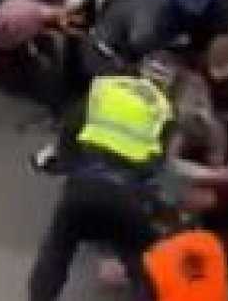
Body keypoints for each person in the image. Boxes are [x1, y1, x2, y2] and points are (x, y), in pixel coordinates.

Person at [28, 72, 173, 300]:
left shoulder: (103, 88)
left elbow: (69, 131)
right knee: (143, 259)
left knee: (58, 247)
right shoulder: (163, 108)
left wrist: (68, 164)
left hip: (83, 188)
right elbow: (156, 167)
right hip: (125, 196)